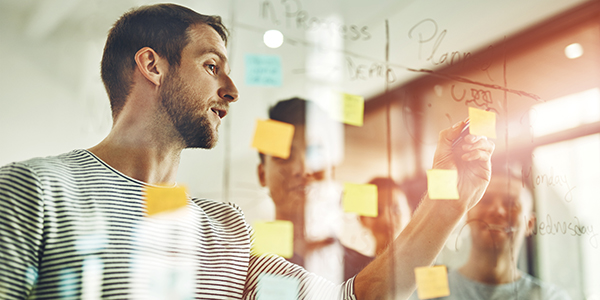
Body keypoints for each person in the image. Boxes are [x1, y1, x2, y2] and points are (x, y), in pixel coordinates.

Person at [0, 3, 495, 300]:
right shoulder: (34, 191)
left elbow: (357, 298)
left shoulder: (227, 229)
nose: (232, 89)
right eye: (212, 66)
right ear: (152, 65)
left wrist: (448, 201)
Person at [412, 169, 571, 300]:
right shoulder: (428, 291)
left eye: (510, 204)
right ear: (468, 214)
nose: (497, 210)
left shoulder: (550, 297)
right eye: (485, 200)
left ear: (529, 224)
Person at [345, 177, 410, 280]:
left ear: (409, 212)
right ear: (362, 219)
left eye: (396, 209)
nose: (387, 218)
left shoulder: (426, 264)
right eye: (377, 211)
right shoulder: (356, 274)